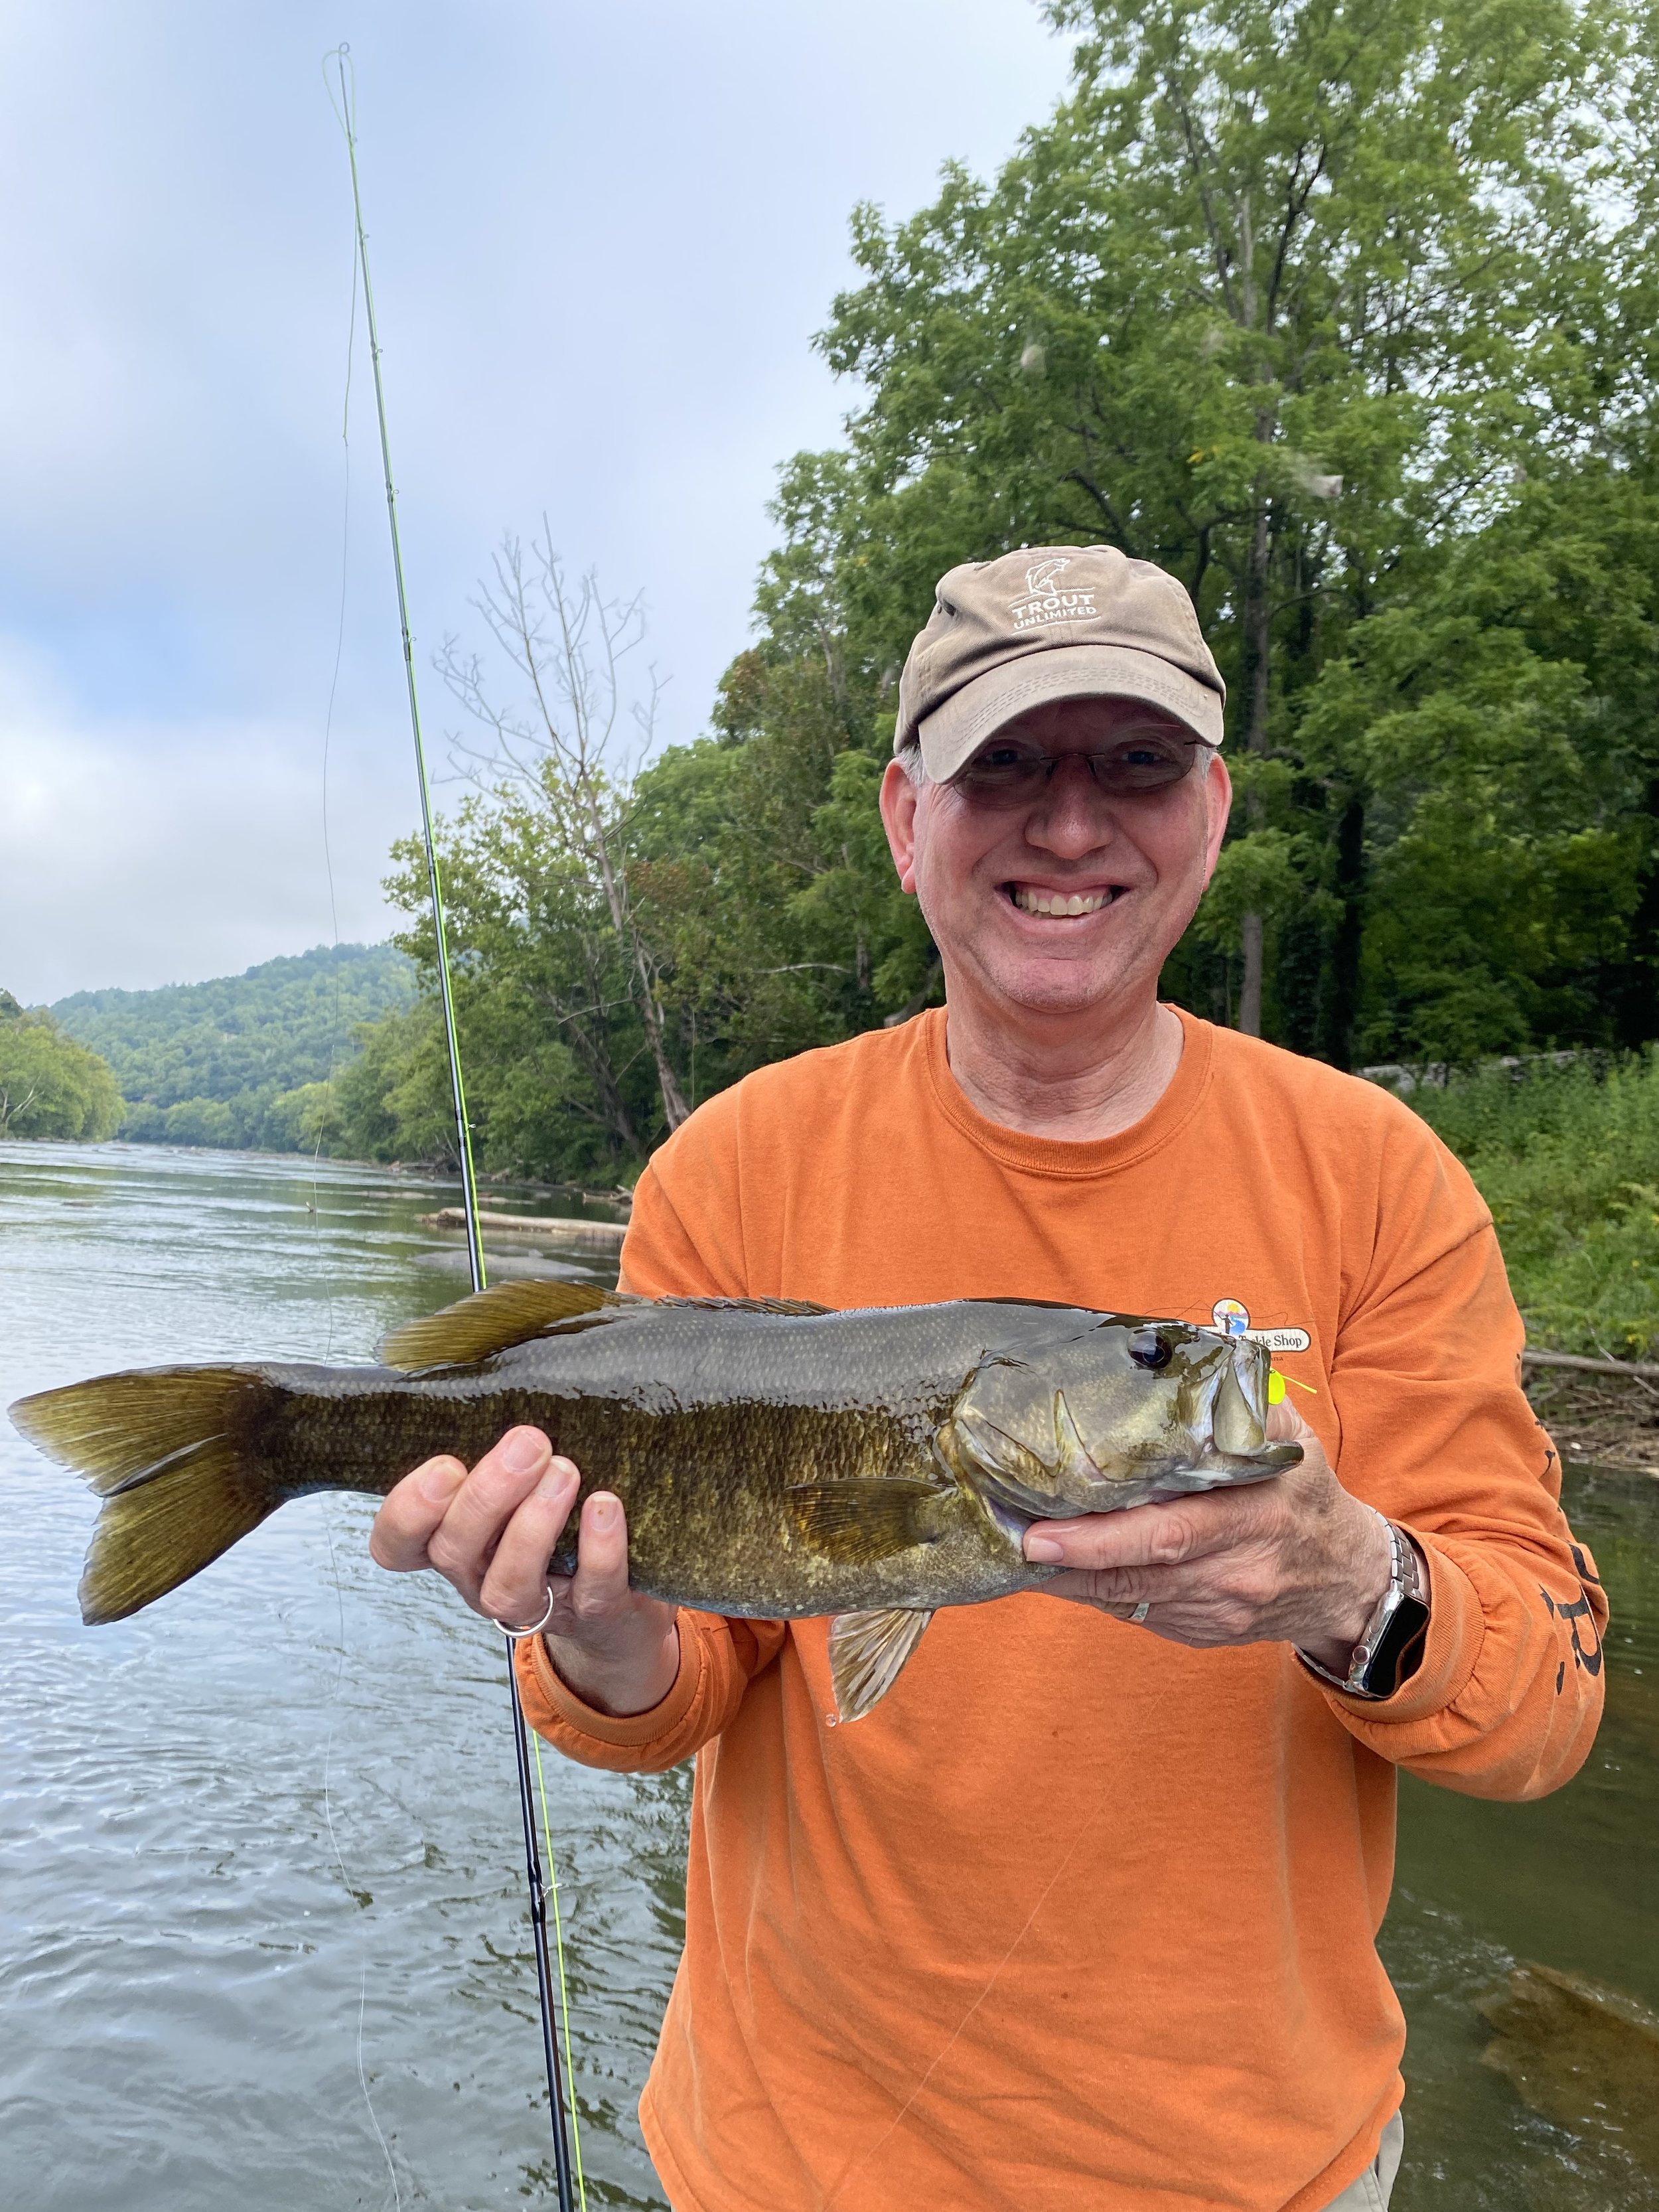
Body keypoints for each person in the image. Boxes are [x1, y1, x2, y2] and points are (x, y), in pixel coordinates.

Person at [370, 544, 1608, 2212]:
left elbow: (1543, 1706)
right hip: (784, 2165)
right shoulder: (735, 1161)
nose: (1072, 823)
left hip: (1254, 2176)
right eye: (1005, 762)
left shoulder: (1379, 1179)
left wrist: (1351, 1578)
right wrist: (587, 1616)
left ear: (1212, 809)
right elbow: (677, 1695)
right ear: (904, 818)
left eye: (1135, 762)